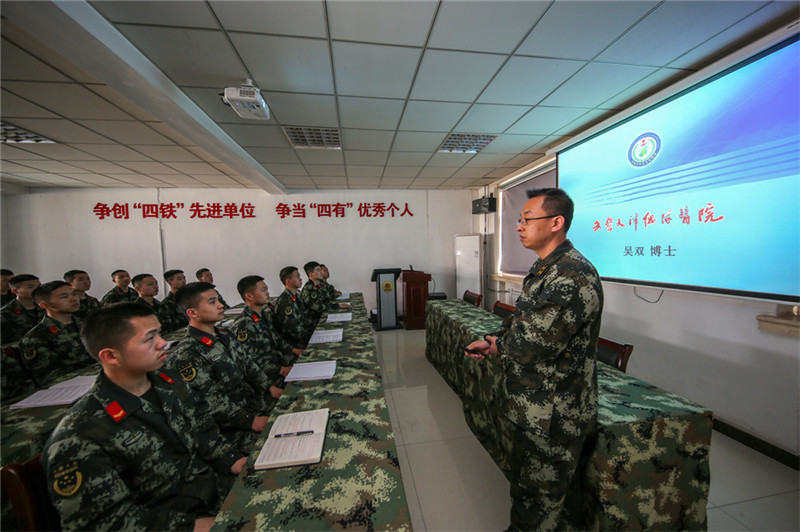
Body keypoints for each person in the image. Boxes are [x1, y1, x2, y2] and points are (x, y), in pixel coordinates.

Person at [465, 188, 603, 531]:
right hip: (537, 406)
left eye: (527, 219)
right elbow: (522, 321)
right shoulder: (548, 268)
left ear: (556, 223)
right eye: (520, 219)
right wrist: (494, 340)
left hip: (555, 413)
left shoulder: (572, 275)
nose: (519, 226)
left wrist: (503, 345)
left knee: (537, 501)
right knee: (542, 494)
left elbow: (532, 344)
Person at [43, 303, 247, 531]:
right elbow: (104, 524)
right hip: (171, 521)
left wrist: (232, 459)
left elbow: (203, 428)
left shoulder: (168, 382)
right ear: (110, 355)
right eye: (150, 338)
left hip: (212, 491)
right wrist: (191, 526)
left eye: (159, 333)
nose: (163, 343)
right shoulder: (80, 434)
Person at [167, 282, 272, 455]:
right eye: (212, 302)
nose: (221, 305)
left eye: (219, 300)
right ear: (192, 313)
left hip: (254, 405)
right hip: (230, 430)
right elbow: (209, 403)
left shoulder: (225, 334)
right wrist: (250, 421)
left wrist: (270, 387)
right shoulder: (186, 355)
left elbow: (248, 365)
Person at [19, 281, 96, 387]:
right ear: (44, 305)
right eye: (64, 297)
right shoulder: (36, 337)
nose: (74, 299)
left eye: (74, 294)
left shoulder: (87, 324)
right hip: (73, 388)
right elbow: (50, 378)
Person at [230, 275, 290, 405]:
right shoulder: (243, 325)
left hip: (279, 367)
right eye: (263, 290)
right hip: (265, 382)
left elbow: (277, 340)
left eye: (267, 289)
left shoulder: (264, 315)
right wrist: (277, 376)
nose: (268, 293)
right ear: (249, 296)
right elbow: (249, 362)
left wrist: (294, 351)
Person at [272, 266, 314, 349]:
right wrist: (313, 334)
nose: (301, 279)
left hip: (305, 337)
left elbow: (305, 318)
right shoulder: (285, 303)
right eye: (297, 277)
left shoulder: (296, 296)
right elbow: (294, 331)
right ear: (288, 281)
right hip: (296, 344)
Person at [1, 274, 44, 343]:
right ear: (15, 291)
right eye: (30, 287)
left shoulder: (45, 308)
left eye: (39, 286)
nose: (37, 290)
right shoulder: (5, 314)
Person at [161, 269, 189, 334]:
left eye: (184, 278)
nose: (184, 281)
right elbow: (170, 328)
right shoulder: (167, 304)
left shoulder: (188, 299)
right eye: (179, 279)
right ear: (170, 282)